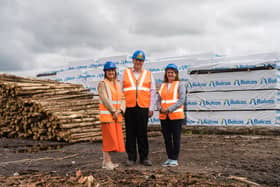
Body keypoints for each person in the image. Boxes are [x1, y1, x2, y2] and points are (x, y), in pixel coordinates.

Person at [121, 50, 156, 166]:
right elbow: (121, 91)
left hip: (143, 107)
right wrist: (121, 107)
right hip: (129, 107)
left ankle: (144, 157)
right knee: (130, 133)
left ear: (143, 62)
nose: (138, 62)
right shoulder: (125, 73)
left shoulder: (149, 74)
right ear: (133, 60)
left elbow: (152, 91)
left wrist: (151, 108)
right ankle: (131, 157)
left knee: (142, 133)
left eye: (140, 60)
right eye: (136, 60)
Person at [98, 61, 126, 170]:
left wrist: (121, 110)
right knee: (108, 139)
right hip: (108, 116)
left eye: (113, 70)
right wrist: (114, 111)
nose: (111, 72)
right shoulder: (102, 84)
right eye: (109, 70)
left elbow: (123, 98)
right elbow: (104, 99)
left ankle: (106, 161)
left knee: (114, 139)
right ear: (105, 72)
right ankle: (107, 161)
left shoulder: (118, 84)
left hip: (116, 116)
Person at [157, 63, 186, 167]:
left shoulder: (180, 84)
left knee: (176, 138)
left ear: (176, 74)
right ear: (166, 74)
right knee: (167, 138)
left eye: (172, 72)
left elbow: (181, 100)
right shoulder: (163, 85)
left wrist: (169, 109)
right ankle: (169, 157)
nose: (170, 74)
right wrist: (159, 108)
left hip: (175, 116)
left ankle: (174, 158)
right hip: (164, 116)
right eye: (168, 72)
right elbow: (158, 100)